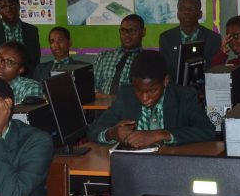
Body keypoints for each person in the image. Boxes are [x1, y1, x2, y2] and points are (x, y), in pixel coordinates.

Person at [87, 49, 216, 148]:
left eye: (152, 91)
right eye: (138, 90)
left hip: (172, 163)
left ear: (165, 81)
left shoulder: (183, 96)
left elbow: (208, 131)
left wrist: (160, 134)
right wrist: (111, 134)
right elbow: (93, 130)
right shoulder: (126, 95)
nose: (145, 98)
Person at [158, 0, 222, 79]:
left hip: (203, 86)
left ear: (200, 14)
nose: (186, 12)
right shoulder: (166, 38)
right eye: (182, 9)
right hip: (175, 86)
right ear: (177, 14)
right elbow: (166, 69)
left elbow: (212, 70)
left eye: (192, 9)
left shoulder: (213, 38)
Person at [92, 14, 145, 94]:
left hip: (129, 101)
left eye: (132, 30)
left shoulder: (147, 60)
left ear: (143, 32)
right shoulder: (104, 56)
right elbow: (92, 84)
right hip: (102, 101)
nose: (127, 35)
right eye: (123, 31)